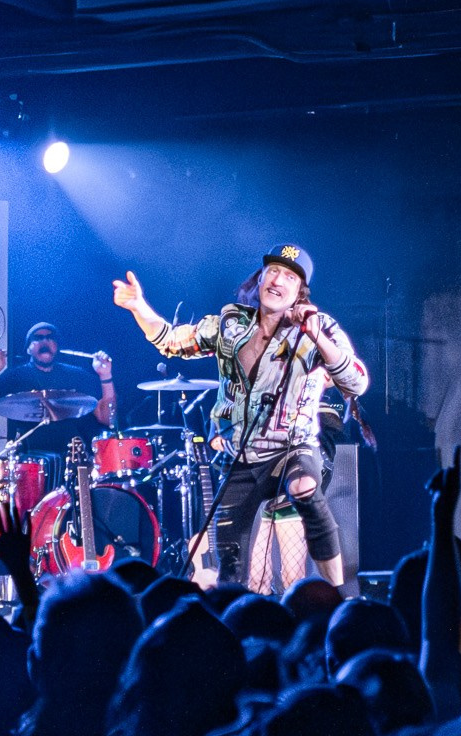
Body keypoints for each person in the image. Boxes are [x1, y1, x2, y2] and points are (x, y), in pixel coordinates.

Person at [113, 243, 369, 586]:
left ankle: (339, 596)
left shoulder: (319, 327)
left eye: (289, 277)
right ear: (260, 278)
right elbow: (172, 341)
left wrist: (316, 336)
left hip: (293, 447)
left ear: (300, 292)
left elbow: (356, 381)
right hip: (242, 457)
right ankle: (235, 619)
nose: (278, 281)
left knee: (305, 486)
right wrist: (138, 307)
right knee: (231, 559)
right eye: (273, 271)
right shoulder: (231, 324)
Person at [0, 320, 115, 460]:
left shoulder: (77, 375)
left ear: (57, 345)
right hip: (28, 464)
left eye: (50, 338)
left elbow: (108, 418)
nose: (45, 342)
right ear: (28, 349)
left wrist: (105, 375)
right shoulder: (13, 377)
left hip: (74, 460)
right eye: (37, 338)